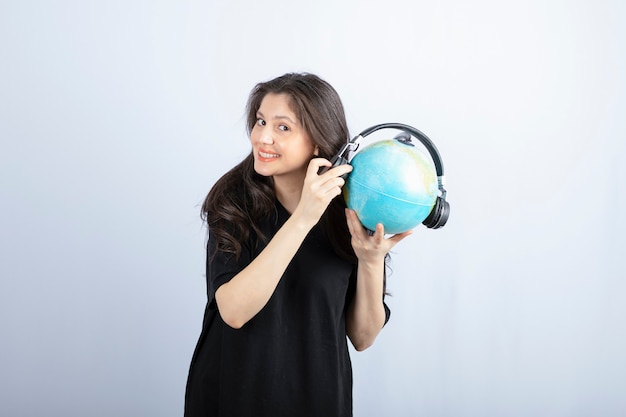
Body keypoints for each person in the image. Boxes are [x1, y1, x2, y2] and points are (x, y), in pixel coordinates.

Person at [184, 72, 412, 417]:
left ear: (318, 143)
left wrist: (370, 262)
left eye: (282, 127)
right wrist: (303, 217)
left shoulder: (353, 211)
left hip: (318, 399)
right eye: (261, 121)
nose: (262, 137)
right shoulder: (232, 201)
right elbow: (232, 311)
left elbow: (363, 337)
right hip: (233, 395)